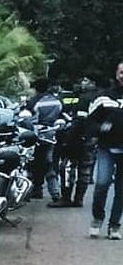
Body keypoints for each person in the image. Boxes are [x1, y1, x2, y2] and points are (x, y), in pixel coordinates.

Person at [87, 60, 123, 239]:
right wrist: (100, 128)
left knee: (121, 190)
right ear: (116, 75)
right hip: (106, 149)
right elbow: (90, 120)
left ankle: (114, 225)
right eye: (122, 72)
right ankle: (97, 218)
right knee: (102, 183)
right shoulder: (104, 97)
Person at [51, 78, 98, 207]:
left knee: (66, 167)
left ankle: (66, 198)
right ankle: (79, 199)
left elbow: (79, 120)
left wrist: (69, 139)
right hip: (90, 138)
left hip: (76, 137)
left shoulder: (84, 99)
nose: (83, 83)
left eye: (86, 80)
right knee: (85, 169)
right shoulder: (98, 97)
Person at [25, 78, 64, 203]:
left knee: (31, 164)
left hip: (34, 135)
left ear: (36, 88)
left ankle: (33, 190)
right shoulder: (57, 101)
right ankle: (55, 193)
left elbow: (27, 119)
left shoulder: (32, 102)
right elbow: (62, 116)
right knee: (49, 164)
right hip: (51, 135)